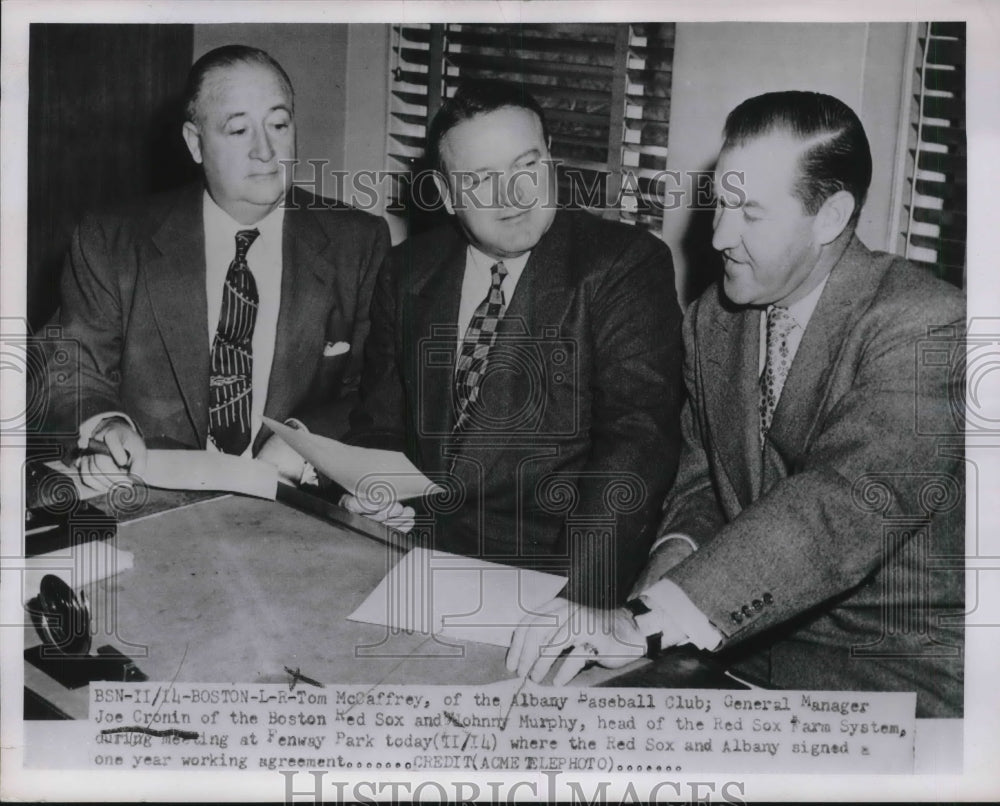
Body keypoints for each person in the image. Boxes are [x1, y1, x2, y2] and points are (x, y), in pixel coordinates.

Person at [508, 90, 965, 718]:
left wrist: (650, 622)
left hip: (887, 672)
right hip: (740, 645)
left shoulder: (927, 326)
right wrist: (648, 601)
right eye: (719, 203)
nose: (720, 235)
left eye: (749, 212)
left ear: (830, 218)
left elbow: (842, 503)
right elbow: (704, 485)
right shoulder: (714, 320)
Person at [344, 78, 683, 608]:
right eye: (481, 179)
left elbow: (635, 448)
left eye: (527, 166)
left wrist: (577, 603)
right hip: (406, 562)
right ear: (448, 195)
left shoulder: (623, 265)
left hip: (548, 581)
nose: (515, 195)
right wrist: (372, 495)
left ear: (552, 160)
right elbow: (382, 425)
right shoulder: (407, 270)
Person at [41, 45, 388, 490]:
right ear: (195, 142)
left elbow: (378, 388)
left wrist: (305, 440)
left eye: (279, 125)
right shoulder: (113, 241)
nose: (266, 151)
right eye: (239, 130)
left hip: (294, 501)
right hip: (149, 496)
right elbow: (68, 366)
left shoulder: (357, 242)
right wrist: (106, 424)